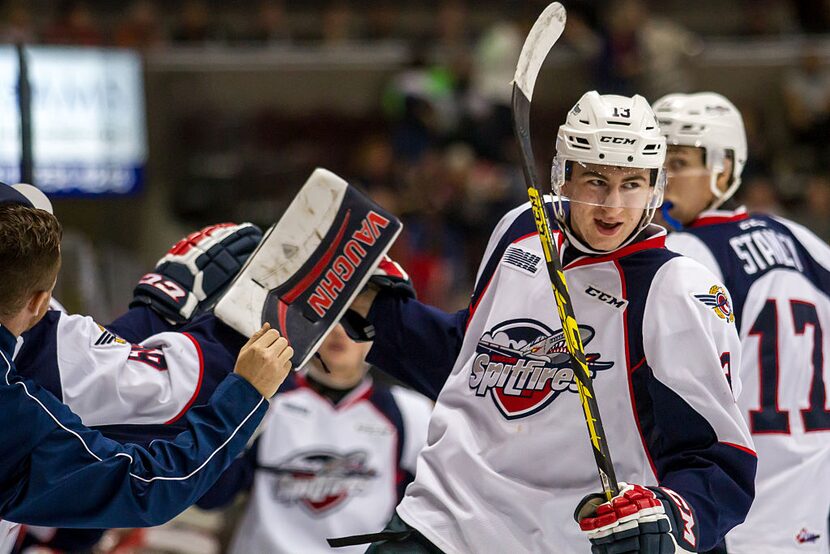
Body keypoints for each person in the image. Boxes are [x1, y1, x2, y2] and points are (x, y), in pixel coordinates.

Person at [342, 91, 756, 553]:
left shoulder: (676, 289)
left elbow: (719, 460)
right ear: (564, 176)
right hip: (439, 525)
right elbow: (469, 364)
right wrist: (372, 307)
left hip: (561, 542)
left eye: (632, 184)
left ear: (655, 186)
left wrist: (671, 515)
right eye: (596, 181)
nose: (613, 208)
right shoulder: (521, 229)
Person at [0, 186, 293, 553]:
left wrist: (151, 314)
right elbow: (148, 485)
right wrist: (246, 391)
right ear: (40, 301)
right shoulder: (14, 413)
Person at [653, 91, 830, 554]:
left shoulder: (686, 257)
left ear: (725, 170)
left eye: (679, 160)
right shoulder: (807, 244)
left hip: (726, 514)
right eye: (655, 157)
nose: (660, 175)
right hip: (810, 513)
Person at [197, 323, 433, 553]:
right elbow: (211, 496)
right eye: (332, 319)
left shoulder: (410, 412)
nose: (339, 331)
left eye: (354, 322)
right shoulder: (267, 396)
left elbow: (427, 518)